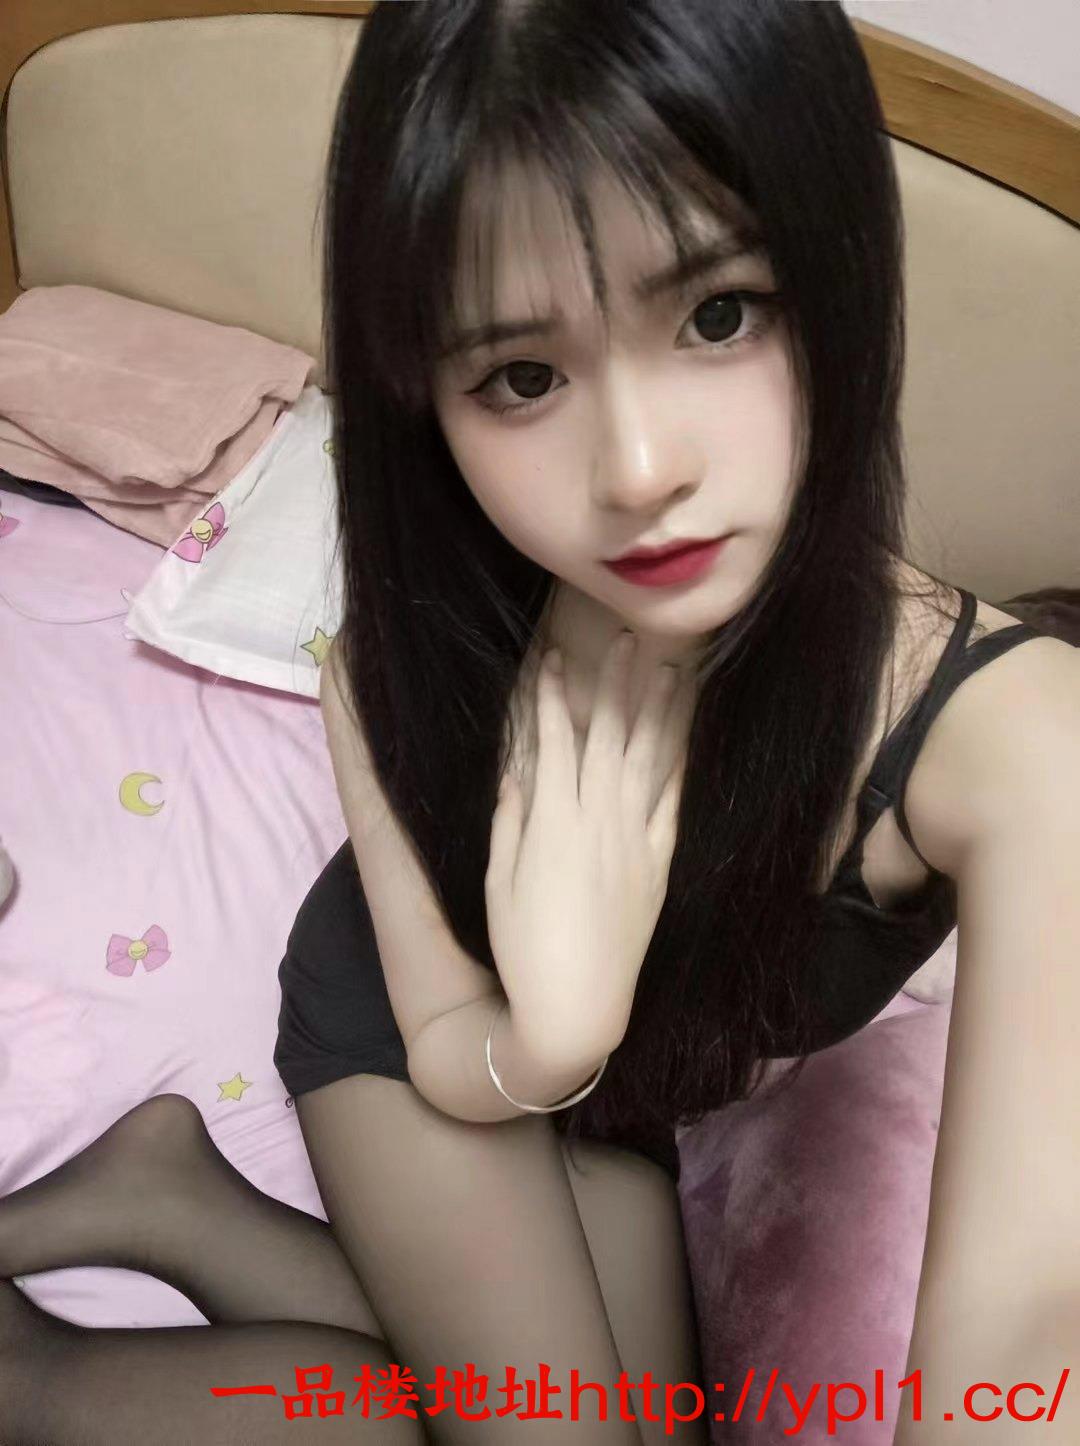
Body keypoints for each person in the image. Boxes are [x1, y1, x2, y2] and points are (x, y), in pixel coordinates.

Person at [2, 3, 1077, 1443]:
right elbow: (449, 1029)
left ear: (843, 270)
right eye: (522, 376)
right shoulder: (412, 638)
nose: (636, 470)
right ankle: (39, 1361)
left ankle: (175, 1196)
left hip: (630, 1101)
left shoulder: (1021, 743)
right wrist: (554, 1034)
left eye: (718, 314)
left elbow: (1035, 1321)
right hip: (431, 1046)